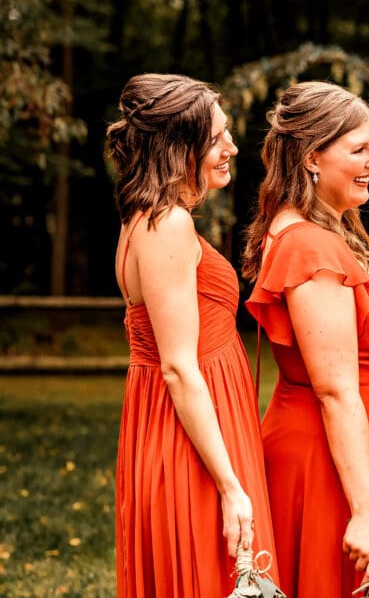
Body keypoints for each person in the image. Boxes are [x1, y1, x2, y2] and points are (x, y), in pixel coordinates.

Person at [241, 81, 369, 596]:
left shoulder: (322, 230)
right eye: (359, 149)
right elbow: (335, 389)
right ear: (313, 157)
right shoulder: (311, 247)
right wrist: (365, 511)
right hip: (333, 461)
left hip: (362, 445)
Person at [108, 73, 278, 596]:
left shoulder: (147, 218)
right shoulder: (166, 224)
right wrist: (229, 486)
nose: (230, 147)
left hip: (197, 421)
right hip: (190, 439)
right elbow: (179, 366)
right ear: (179, 146)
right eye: (217, 137)